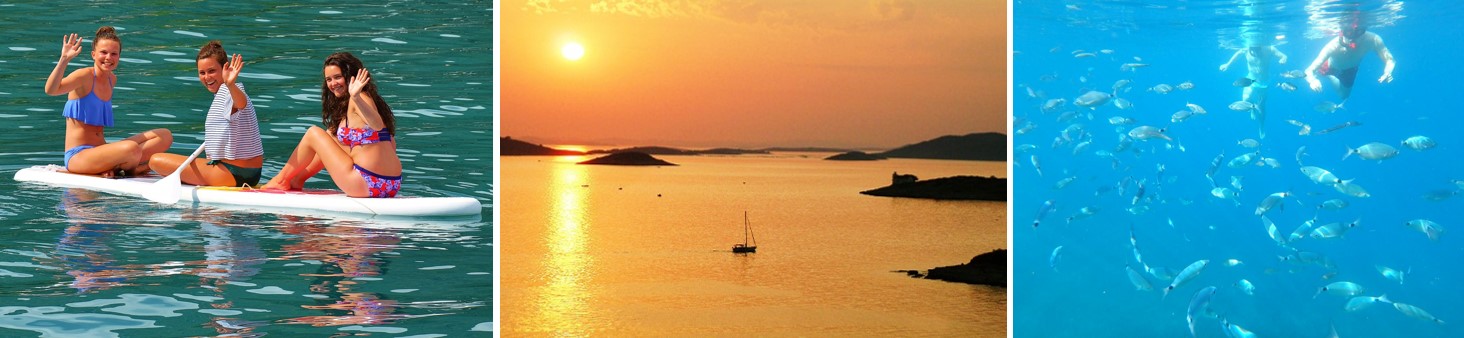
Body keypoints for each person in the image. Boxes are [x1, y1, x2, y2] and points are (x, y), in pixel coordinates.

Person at [262, 52, 402, 198]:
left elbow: (377, 124)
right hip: (391, 185)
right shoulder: (375, 102)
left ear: (350, 76)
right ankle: (298, 179)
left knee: (313, 133)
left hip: (366, 182)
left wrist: (356, 97)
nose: (332, 84)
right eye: (328, 79)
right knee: (331, 136)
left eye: (338, 77)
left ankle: (281, 180)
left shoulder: (360, 98)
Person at [43, 26, 172, 177]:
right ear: (93, 54)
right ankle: (129, 170)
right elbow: (51, 90)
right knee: (131, 148)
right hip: (79, 156)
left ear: (119, 57)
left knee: (164, 135)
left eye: (114, 54)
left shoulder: (112, 80)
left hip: (102, 151)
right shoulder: (83, 76)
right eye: (103, 52)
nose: (108, 58)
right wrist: (64, 59)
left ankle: (116, 165)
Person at [148, 41, 265, 187]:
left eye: (211, 71)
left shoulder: (230, 92)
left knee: (155, 160)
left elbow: (241, 104)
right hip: (246, 173)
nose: (207, 77)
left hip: (233, 173)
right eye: (202, 73)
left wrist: (230, 84)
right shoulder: (223, 93)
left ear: (225, 68)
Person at [1304, 17, 1395, 102]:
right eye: (1348, 33)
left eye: (1359, 32)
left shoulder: (1373, 39)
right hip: (1329, 67)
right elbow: (1308, 70)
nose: (1353, 38)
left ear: (1363, 31)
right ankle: (1328, 74)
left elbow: (1390, 60)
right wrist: (1312, 80)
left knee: (1344, 96)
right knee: (1342, 94)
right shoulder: (1333, 46)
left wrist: (1387, 72)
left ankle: (1330, 76)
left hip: (1350, 69)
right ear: (1342, 32)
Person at [1220, 44, 1287, 139]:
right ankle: (1251, 108)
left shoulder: (1269, 48)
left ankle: (1261, 126)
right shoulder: (1246, 48)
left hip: (1263, 83)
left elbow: (1283, 55)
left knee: (1261, 106)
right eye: (1252, 51)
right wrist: (1227, 64)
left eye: (1257, 50)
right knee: (1245, 99)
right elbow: (1238, 53)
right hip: (1250, 79)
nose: (1255, 53)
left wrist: (1283, 59)